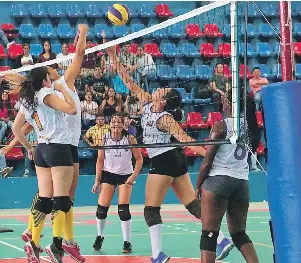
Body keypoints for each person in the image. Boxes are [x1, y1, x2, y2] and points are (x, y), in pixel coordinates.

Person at [108, 46, 234, 263]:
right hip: (175, 160)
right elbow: (128, 82)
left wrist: (210, 156)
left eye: (163, 91)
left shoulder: (165, 118)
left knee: (151, 210)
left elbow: (186, 139)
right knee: (193, 205)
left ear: (164, 101)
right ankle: (221, 240)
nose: (160, 89)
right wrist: (113, 56)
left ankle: (157, 254)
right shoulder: (147, 102)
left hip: (164, 161)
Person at [5, 24, 88, 263]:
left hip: (46, 146)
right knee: (62, 199)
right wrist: (82, 33)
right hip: (61, 145)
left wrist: (25, 147)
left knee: (52, 197)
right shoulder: (58, 87)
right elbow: (79, 57)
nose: (53, 71)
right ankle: (57, 244)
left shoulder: (34, 97)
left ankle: (40, 240)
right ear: (46, 78)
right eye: (49, 71)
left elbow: (23, 126)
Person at [196, 89, 260, 263]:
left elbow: (207, 163)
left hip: (219, 180)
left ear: (230, 104)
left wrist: (198, 185)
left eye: (224, 99)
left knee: (209, 234)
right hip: (241, 183)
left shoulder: (221, 125)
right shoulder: (251, 127)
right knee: (239, 233)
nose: (221, 102)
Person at [91, 113, 143, 253]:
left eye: (119, 122)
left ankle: (127, 242)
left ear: (123, 124)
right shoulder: (105, 138)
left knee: (123, 211)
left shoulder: (129, 138)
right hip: (108, 174)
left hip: (125, 175)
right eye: (113, 122)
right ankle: (99, 236)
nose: (116, 125)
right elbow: (100, 160)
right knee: (101, 210)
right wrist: (97, 181)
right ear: (110, 124)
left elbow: (139, 159)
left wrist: (134, 175)